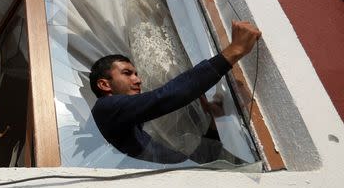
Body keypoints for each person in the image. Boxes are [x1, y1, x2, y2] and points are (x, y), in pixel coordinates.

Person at [89, 20, 261, 164]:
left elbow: (185, 163)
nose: (138, 80)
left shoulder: (134, 135)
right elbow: (164, 98)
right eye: (127, 74)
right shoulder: (105, 109)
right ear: (105, 85)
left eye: (136, 74)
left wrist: (214, 124)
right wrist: (234, 51)